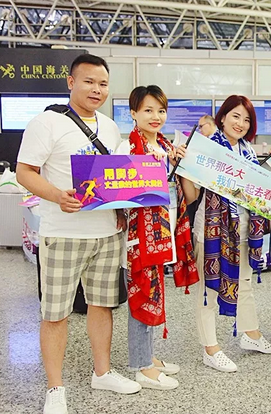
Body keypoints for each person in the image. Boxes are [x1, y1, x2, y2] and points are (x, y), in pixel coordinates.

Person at [16, 54, 141, 414]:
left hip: (106, 233)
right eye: (88, 81)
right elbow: (24, 171)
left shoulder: (110, 127)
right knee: (56, 312)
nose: (96, 89)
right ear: (71, 82)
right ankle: (55, 387)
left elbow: (115, 179)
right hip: (63, 233)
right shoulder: (47, 123)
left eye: (103, 84)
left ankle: (102, 372)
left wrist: (121, 209)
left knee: (102, 305)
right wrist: (57, 195)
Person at [183, 95, 271, 373]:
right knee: (208, 290)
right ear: (222, 117)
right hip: (213, 231)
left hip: (246, 230)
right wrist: (185, 168)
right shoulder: (208, 149)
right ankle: (210, 349)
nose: (240, 123)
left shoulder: (247, 151)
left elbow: (258, 192)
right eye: (235, 116)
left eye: (246, 119)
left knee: (245, 283)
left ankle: (251, 334)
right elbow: (192, 196)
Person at [115, 85, 199, 390]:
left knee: (154, 294)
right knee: (142, 296)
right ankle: (142, 367)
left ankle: (147, 356)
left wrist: (182, 166)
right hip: (140, 239)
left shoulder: (167, 147)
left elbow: (190, 196)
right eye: (148, 110)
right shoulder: (127, 150)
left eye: (161, 110)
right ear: (133, 113)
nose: (156, 116)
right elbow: (117, 198)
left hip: (165, 234)